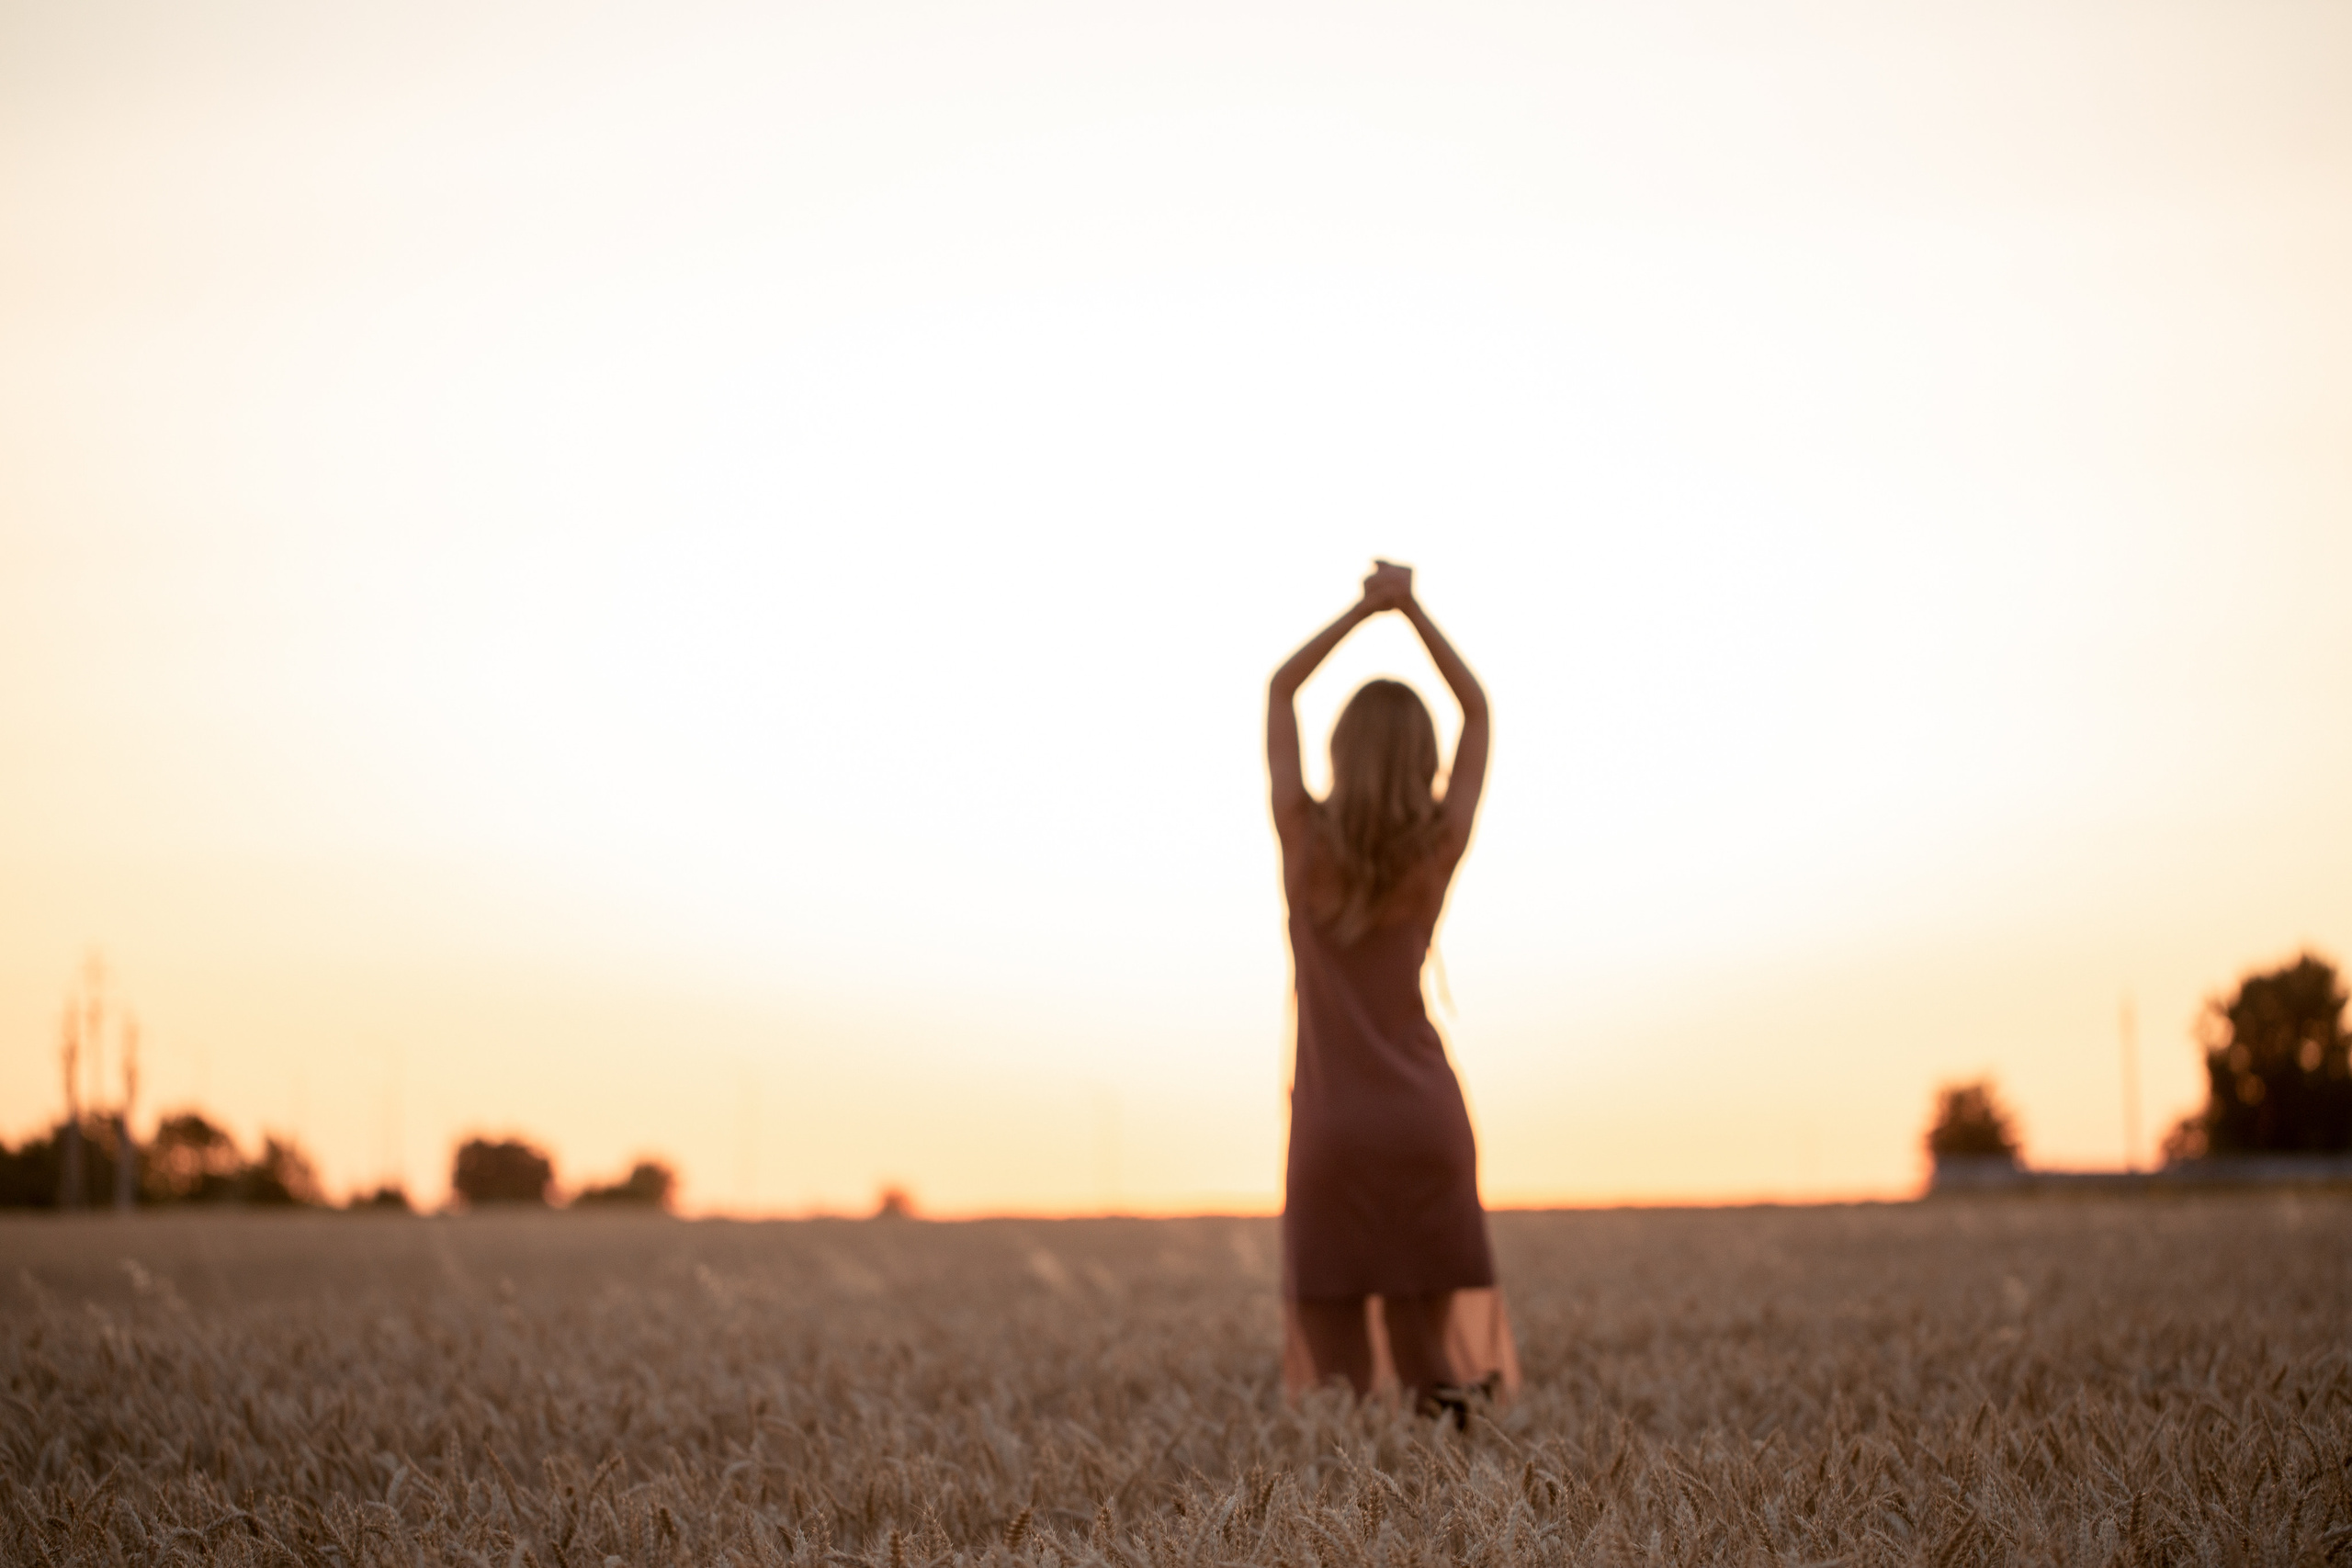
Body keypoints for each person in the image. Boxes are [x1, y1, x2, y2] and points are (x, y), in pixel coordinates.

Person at [1266, 560, 1520, 1420]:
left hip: (1332, 1127)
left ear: (1340, 750)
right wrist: (1411, 608)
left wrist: (1359, 610)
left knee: (1338, 1394)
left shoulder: (1304, 841)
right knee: (1436, 1379)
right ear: (1423, 761)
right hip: (1423, 1122)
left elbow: (1280, 689)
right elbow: (1478, 710)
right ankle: (1465, 1530)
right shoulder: (1432, 847)